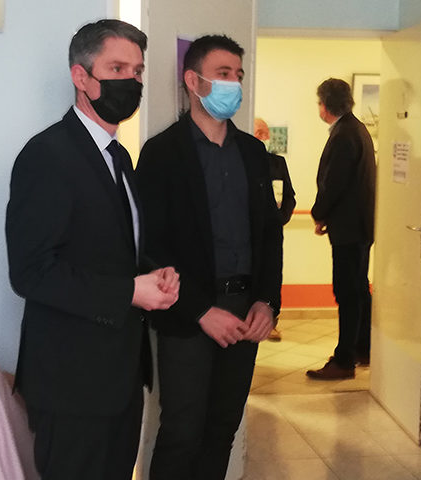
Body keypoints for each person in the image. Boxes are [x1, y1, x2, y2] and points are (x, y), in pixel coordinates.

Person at [5, 19, 180, 480]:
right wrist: (130, 292)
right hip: (71, 382)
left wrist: (153, 275)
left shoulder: (119, 157)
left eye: (138, 71)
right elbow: (31, 272)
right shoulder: (47, 155)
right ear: (80, 76)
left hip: (121, 376)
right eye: (117, 68)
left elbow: (117, 249)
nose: (131, 81)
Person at [136, 34, 283, 480]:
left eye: (238, 75)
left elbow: (270, 236)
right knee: (182, 432)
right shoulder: (162, 153)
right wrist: (200, 310)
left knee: (222, 429)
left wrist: (267, 302)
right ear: (193, 81)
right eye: (223, 74)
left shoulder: (254, 153)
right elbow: (149, 245)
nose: (233, 84)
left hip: (245, 310)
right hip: (189, 312)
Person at [305, 78, 377, 380]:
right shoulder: (357, 129)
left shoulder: (344, 135)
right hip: (359, 227)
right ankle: (363, 348)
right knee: (358, 290)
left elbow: (334, 182)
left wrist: (319, 214)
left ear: (325, 105)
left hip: (349, 230)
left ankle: (344, 360)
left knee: (347, 293)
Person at [253, 117, 296, 342]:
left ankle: (271, 322)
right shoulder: (244, 160)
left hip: (272, 232)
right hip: (250, 234)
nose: (263, 137)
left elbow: (290, 196)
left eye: (265, 132)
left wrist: (279, 220)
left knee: (271, 275)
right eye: (258, 132)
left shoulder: (278, 163)